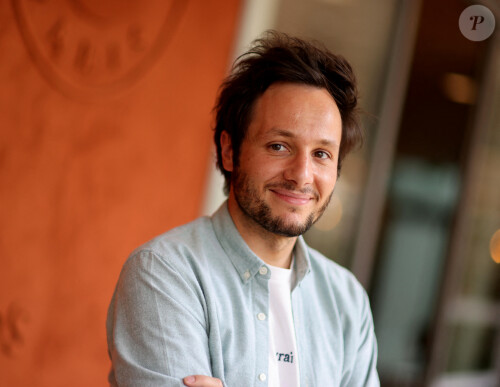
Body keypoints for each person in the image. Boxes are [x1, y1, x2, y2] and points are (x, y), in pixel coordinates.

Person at [106, 31, 379, 387]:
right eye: (279, 146)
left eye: (321, 154)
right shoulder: (163, 274)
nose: (302, 175)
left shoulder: (347, 301)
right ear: (230, 150)